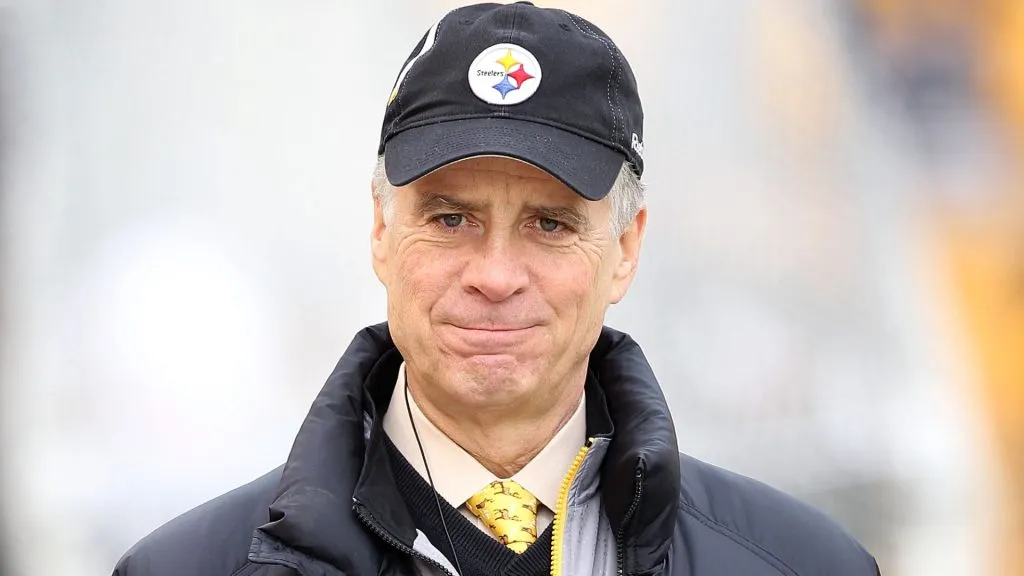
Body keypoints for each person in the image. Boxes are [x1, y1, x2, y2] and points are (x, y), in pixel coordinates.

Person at [113, 2, 880, 575]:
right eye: (451, 219)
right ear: (380, 229)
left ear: (626, 248)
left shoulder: (803, 565)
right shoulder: (181, 569)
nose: (495, 275)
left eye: (549, 224)